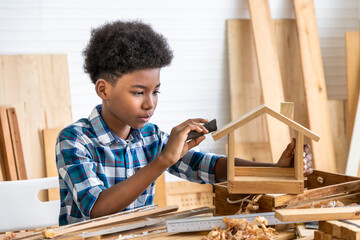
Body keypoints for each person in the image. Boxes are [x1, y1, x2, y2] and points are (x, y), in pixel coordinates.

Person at [56, 20, 313, 226]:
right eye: (138, 92)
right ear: (104, 90)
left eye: (155, 91)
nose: (150, 104)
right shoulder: (74, 140)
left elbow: (209, 167)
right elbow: (97, 209)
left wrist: (273, 169)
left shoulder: (150, 136)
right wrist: (163, 160)